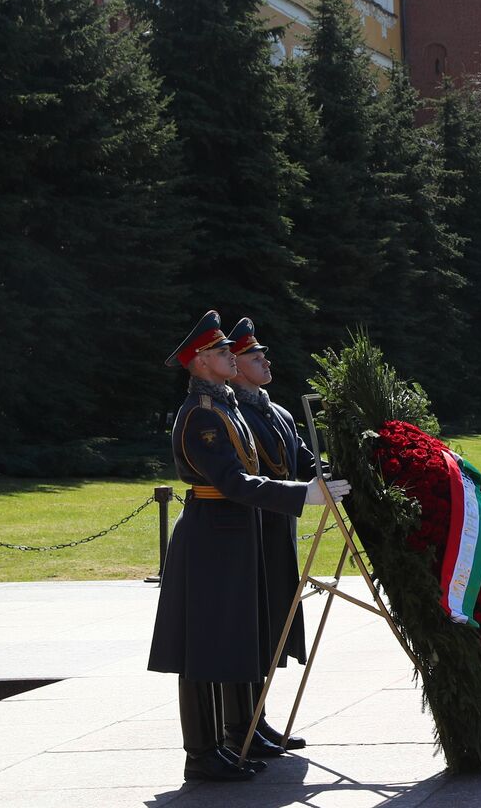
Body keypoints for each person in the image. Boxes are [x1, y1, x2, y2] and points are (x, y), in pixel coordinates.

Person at [148, 310, 350, 783]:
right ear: (198, 363)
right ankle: (201, 751)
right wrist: (302, 494)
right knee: (203, 648)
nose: (230, 358)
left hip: (235, 532)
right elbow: (232, 481)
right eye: (221, 352)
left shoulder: (227, 408)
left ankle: (240, 730)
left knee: (236, 635)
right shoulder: (200, 416)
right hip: (211, 535)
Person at [222, 318, 320, 757]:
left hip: (278, 531)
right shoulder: (232, 413)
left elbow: (303, 461)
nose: (265, 361)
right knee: (249, 628)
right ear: (236, 366)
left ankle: (257, 720)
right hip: (248, 533)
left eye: (263, 355)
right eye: (253, 357)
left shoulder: (276, 411)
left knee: (272, 625)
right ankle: (242, 724)